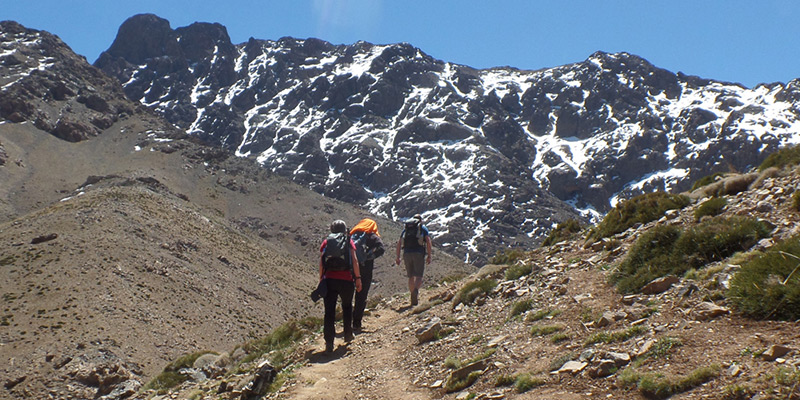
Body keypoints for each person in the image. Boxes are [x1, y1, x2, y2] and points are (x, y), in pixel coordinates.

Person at [319, 220, 362, 354]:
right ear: (344, 229)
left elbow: (321, 262)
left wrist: (321, 279)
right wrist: (358, 278)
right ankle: (348, 334)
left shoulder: (326, 242)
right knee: (347, 306)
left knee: (329, 312)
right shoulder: (348, 241)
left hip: (329, 280)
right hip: (346, 279)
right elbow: (354, 260)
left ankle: (329, 343)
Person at [349, 218, 385, 333]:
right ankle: (356, 323)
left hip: (350, 268)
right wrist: (368, 257)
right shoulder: (371, 236)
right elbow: (381, 249)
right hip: (365, 269)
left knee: (349, 294)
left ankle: (347, 322)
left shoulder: (352, 235)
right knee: (361, 295)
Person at [395, 214, 432, 306]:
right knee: (419, 276)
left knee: (410, 276)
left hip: (406, 253)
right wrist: (429, 255)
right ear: (420, 220)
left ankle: (412, 295)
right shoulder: (422, 228)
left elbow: (399, 243)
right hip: (418, 253)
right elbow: (428, 241)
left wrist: (398, 257)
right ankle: (415, 291)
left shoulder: (406, 230)